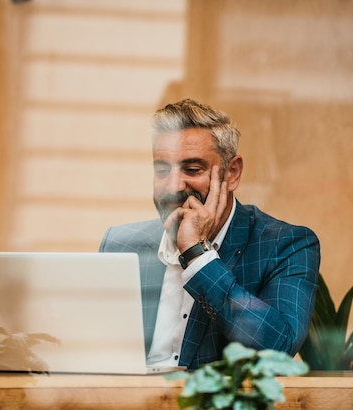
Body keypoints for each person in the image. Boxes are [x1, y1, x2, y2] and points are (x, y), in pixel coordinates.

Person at [99, 99, 320, 369]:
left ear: (232, 173)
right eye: (162, 170)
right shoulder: (122, 243)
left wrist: (197, 255)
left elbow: (278, 350)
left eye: (192, 169)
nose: (173, 186)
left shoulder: (285, 245)